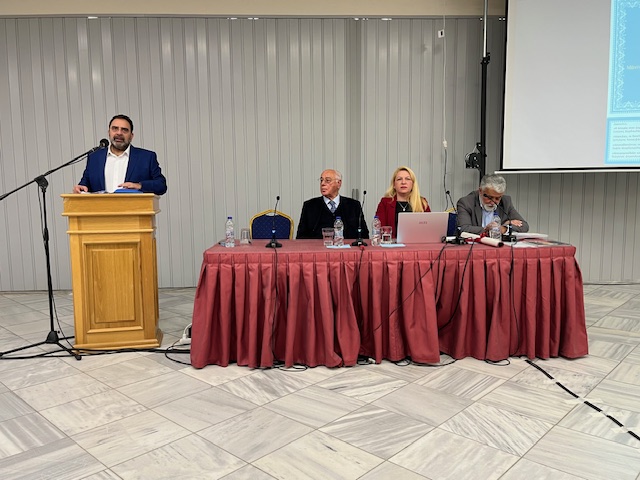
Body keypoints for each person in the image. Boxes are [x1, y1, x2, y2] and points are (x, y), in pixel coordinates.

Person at [73, 114, 167, 195]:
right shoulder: (95, 157)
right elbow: (85, 183)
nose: (119, 133)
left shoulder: (146, 157)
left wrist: (139, 185)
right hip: (100, 210)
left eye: (124, 130)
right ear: (109, 133)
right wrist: (81, 188)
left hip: (133, 210)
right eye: (115, 129)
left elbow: (161, 185)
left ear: (131, 136)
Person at [297, 169, 369, 239]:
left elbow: (364, 235)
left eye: (327, 180)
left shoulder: (354, 206)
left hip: (346, 246)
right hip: (318, 246)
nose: (322, 184)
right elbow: (300, 237)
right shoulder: (309, 206)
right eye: (321, 180)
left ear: (339, 183)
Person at [456, 174, 529, 235]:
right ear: (480, 191)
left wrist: (504, 228)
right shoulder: (466, 202)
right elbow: (463, 229)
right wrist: (487, 230)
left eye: (497, 198)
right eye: (489, 197)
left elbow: (524, 226)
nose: (493, 202)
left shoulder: (505, 201)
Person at [375, 166, 430, 238]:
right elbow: (379, 229)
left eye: (407, 179)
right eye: (399, 179)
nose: (403, 182)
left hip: (417, 242)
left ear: (413, 184)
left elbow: (429, 228)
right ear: (394, 185)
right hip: (392, 243)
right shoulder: (385, 202)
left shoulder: (422, 203)